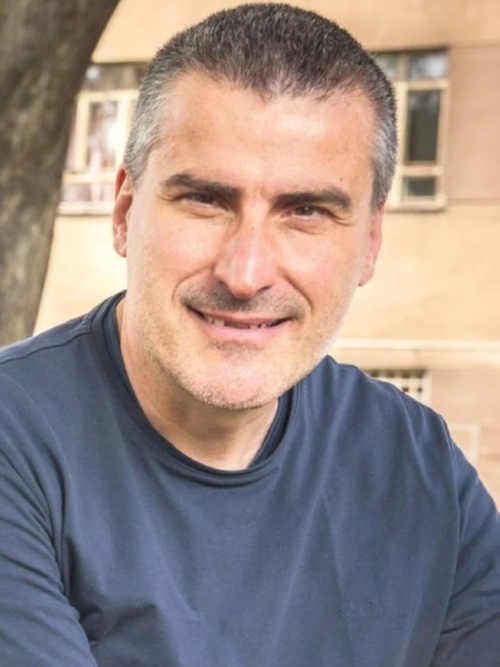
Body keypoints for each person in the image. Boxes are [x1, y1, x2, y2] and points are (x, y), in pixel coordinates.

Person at [0, 3, 499, 665]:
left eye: (306, 211)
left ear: (370, 242)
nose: (246, 273)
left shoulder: (416, 464)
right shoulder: (17, 440)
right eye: (206, 200)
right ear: (124, 212)